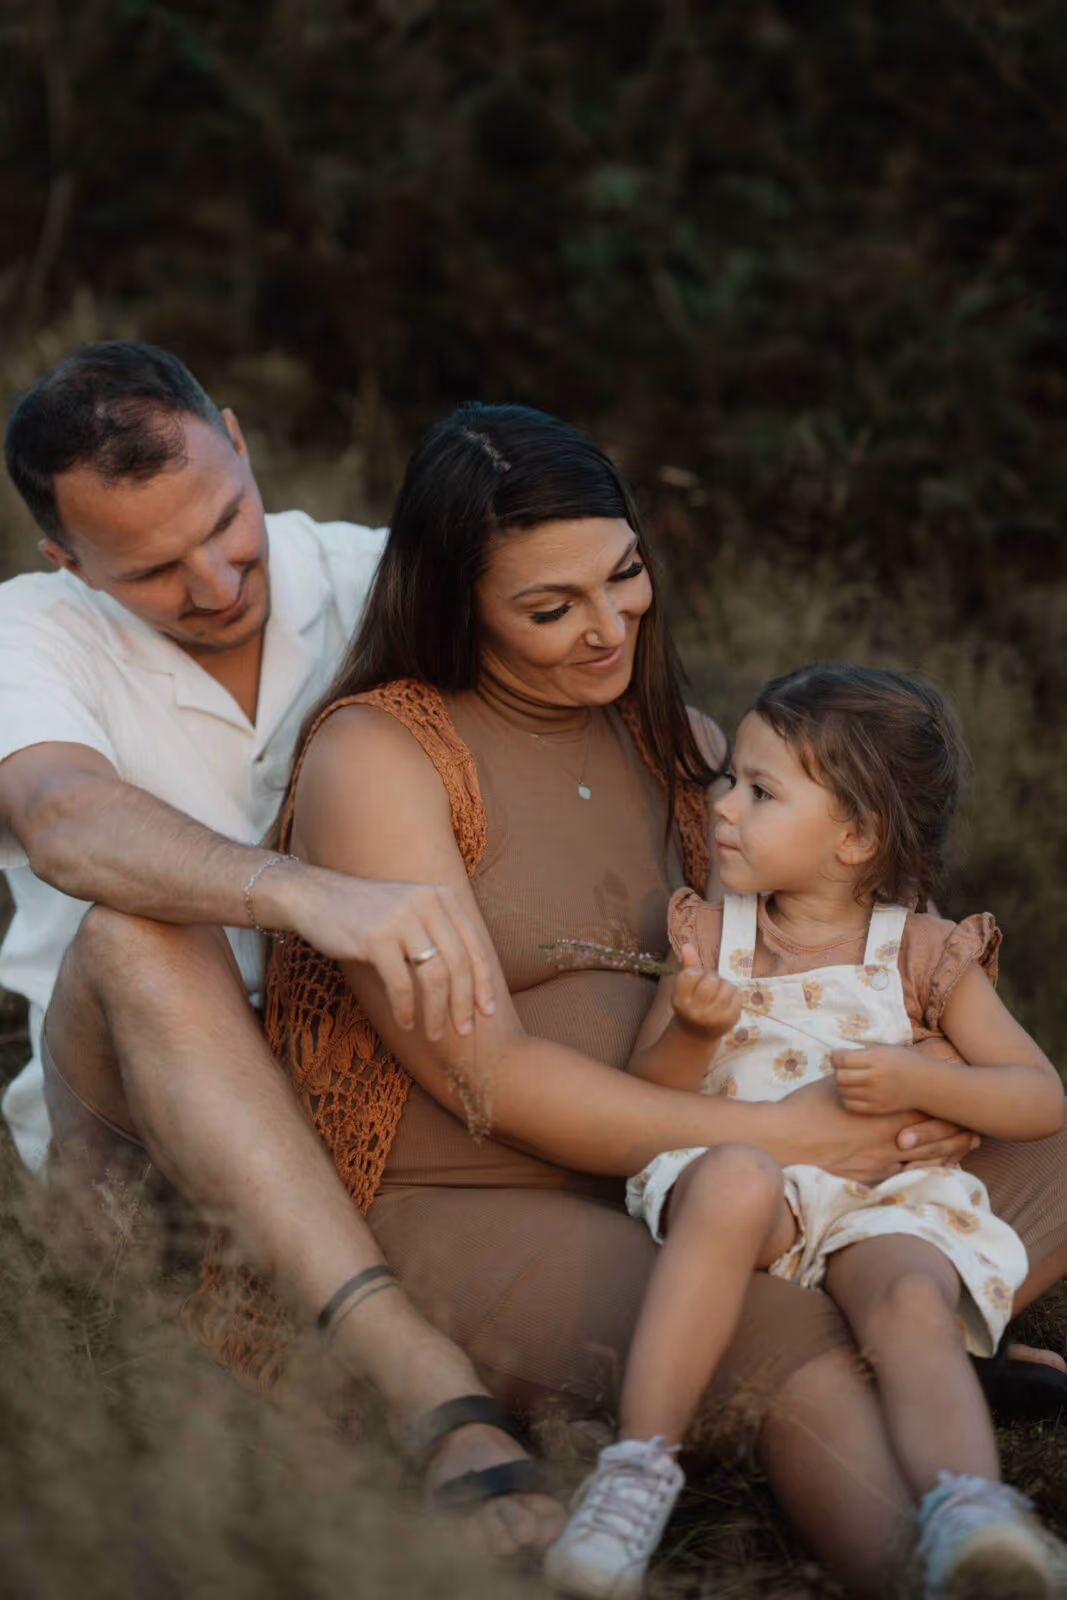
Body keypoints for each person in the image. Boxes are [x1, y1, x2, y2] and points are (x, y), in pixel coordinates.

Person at [197, 402, 1067, 1598]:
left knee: (1045, 1130)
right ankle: (934, 1558)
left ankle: (906, 1321)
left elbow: (819, 936)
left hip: (716, 1173)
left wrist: (914, 1084)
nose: (606, 627)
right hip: (474, 1194)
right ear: (457, 603)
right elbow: (482, 1077)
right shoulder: (381, 755)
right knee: (784, 1336)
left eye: (623, 576)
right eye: (549, 609)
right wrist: (790, 1134)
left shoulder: (678, 743)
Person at [0, 343, 567, 1555]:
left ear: (243, 446)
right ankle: (424, 1386)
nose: (214, 581)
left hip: (382, 1100)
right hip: (130, 1152)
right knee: (136, 928)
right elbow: (59, 816)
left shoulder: (374, 574)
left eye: (225, 520)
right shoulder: (26, 633)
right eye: (152, 569)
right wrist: (298, 893)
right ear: (67, 561)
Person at [545, 664, 1065, 1600]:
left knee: (909, 1291)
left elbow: (1037, 1096)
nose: (721, 809)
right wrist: (694, 1030)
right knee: (738, 1179)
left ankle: (970, 1509)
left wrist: (919, 1077)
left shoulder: (920, 950)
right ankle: (634, 1472)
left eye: (759, 791)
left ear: (856, 838)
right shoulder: (708, 933)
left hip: (873, 1198)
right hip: (748, 1193)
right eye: (726, 781)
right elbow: (642, 1091)